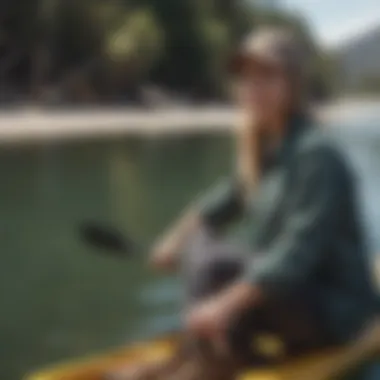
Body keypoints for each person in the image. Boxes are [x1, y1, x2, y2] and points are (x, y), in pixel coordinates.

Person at [109, 26, 378, 380]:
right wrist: (173, 244)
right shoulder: (268, 150)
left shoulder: (317, 156)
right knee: (202, 246)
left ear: (292, 84)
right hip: (291, 299)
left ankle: (211, 357)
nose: (253, 88)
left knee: (218, 263)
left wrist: (222, 306)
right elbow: (220, 203)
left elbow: (295, 255)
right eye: (246, 78)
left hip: (335, 313)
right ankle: (209, 351)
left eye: (267, 76)